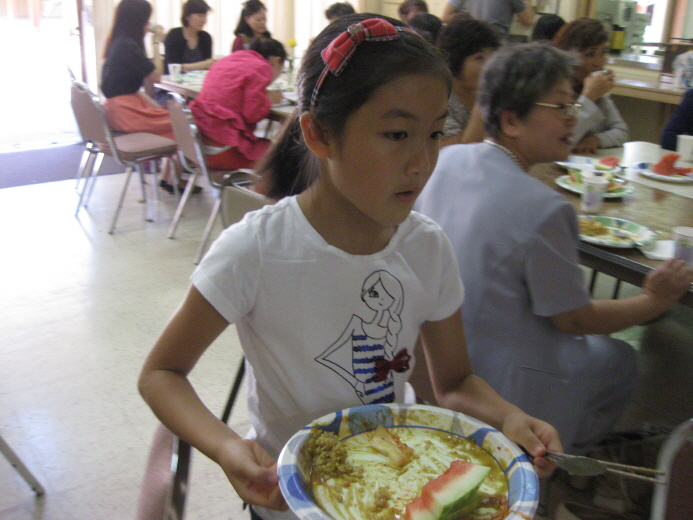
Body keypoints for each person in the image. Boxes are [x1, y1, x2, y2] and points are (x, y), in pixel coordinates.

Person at [138, 15, 562, 520]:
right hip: (291, 501)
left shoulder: (427, 247)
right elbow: (161, 373)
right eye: (397, 134)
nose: (422, 162)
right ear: (319, 134)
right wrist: (226, 445)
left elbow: (453, 382)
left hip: (393, 493)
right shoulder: (257, 249)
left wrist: (509, 418)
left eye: (434, 133)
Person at [415, 42, 693, 454]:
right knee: (621, 358)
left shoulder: (449, 159)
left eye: (573, 105)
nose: (573, 117)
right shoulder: (543, 207)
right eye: (560, 106)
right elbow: (575, 319)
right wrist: (654, 300)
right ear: (511, 120)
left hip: (433, 358)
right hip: (502, 383)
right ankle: (568, 454)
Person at [101, 0, 189, 193]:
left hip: (121, 108)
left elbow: (133, 86)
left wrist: (152, 105)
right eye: (147, 19)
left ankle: (169, 177)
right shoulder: (127, 46)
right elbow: (156, 76)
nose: (149, 24)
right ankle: (172, 177)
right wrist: (156, 42)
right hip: (126, 112)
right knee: (183, 124)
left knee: (176, 118)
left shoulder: (120, 42)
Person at [189, 38, 286, 171]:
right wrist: (269, 100)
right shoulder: (262, 67)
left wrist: (264, 95)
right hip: (222, 150)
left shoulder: (231, 59)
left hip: (200, 143)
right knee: (279, 153)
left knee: (268, 146)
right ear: (276, 61)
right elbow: (252, 115)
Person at [553, 17, 628, 154]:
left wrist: (596, 139)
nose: (598, 63)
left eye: (603, 53)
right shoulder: (553, 88)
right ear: (569, 55)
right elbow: (557, 143)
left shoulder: (597, 91)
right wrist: (588, 98)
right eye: (590, 54)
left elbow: (621, 131)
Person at [436, 16, 500, 147]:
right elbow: (464, 149)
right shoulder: (438, 98)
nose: (491, 64)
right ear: (455, 60)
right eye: (480, 57)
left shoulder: (495, 94)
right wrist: (485, 98)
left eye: (493, 56)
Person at [163, 0, 215, 74]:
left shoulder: (206, 37)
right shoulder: (174, 35)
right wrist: (202, 65)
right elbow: (173, 67)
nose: (203, 20)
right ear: (187, 16)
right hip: (175, 79)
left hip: (199, 79)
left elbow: (207, 67)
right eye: (200, 15)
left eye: (205, 16)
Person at [442, 0, 533, 36]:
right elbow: (527, 21)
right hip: (496, 41)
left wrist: (467, 19)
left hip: (470, 39)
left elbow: (445, 17)